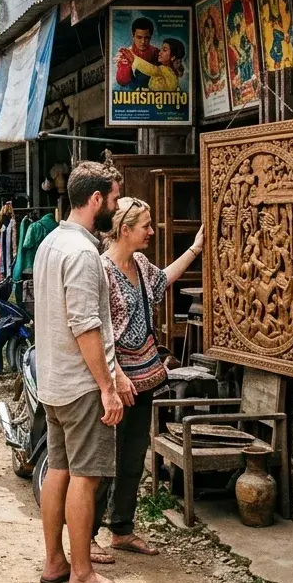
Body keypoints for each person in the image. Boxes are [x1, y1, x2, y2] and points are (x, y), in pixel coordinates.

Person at [34, 160, 132, 583]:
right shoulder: (82, 253)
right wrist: (108, 386)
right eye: (113, 199)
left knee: (59, 470)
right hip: (80, 384)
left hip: (53, 381)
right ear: (96, 200)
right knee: (86, 477)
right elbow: (85, 325)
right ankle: (82, 574)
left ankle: (55, 562)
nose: (116, 206)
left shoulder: (51, 243)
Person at [91, 198, 203, 562]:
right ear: (125, 230)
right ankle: (88, 535)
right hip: (115, 380)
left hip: (146, 377)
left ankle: (121, 529)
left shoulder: (139, 264)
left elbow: (161, 282)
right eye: (146, 226)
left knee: (133, 456)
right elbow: (99, 331)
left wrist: (195, 249)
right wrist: (117, 377)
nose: (152, 232)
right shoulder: (102, 271)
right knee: (104, 459)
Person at [114, 17, 160, 90]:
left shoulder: (156, 52)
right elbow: (122, 82)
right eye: (139, 37)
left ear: (151, 37)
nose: (143, 42)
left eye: (146, 38)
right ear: (133, 36)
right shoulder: (126, 54)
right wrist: (126, 66)